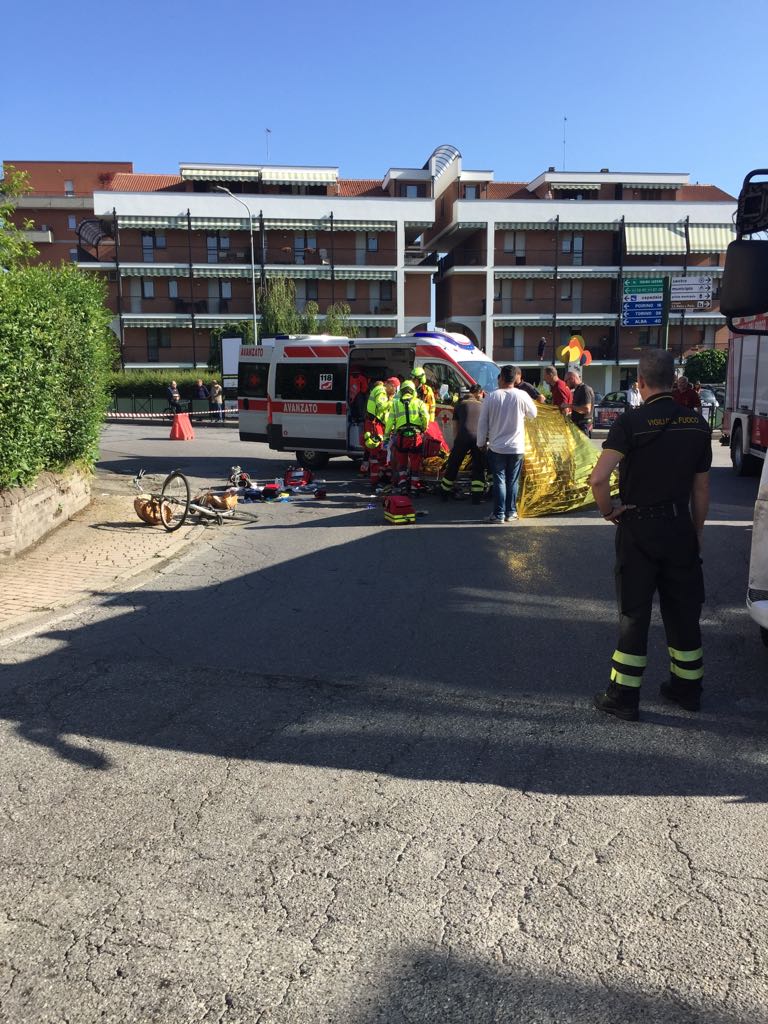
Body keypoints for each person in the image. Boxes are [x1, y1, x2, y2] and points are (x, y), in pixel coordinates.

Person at [590, 348, 711, 722]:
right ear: (674, 381)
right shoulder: (697, 425)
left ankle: (624, 697)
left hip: (639, 528)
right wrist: (694, 531)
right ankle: (687, 689)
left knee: (634, 612)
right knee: (683, 611)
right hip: (678, 528)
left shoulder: (630, 423)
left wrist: (609, 510)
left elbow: (598, 478)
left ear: (640, 383)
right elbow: (701, 491)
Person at [476, 364, 538, 523]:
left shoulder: (492, 396)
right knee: (513, 480)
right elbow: (533, 414)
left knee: (499, 480)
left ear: (502, 378)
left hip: (497, 447)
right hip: (517, 447)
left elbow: (482, 422)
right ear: (514, 378)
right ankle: (511, 512)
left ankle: (499, 514)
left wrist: (480, 442)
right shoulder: (522, 395)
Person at [440, 384, 486, 504]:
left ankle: (444, 493)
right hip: (478, 438)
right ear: (479, 393)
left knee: (453, 465)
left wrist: (456, 444)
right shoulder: (482, 405)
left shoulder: (459, 405)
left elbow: (455, 427)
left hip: (463, 437)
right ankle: (477, 497)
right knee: (478, 467)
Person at [384, 379, 430, 493]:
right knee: (415, 462)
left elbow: (390, 422)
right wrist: (423, 428)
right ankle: (414, 488)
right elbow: (426, 417)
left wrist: (385, 437)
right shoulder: (419, 402)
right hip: (415, 436)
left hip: (401, 437)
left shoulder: (395, 403)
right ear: (413, 391)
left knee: (402, 462)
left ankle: (403, 485)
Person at [362, 378, 395, 491]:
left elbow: (383, 414)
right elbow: (381, 407)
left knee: (381, 452)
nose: (394, 392)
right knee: (376, 453)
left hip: (376, 424)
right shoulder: (381, 390)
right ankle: (375, 481)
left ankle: (380, 478)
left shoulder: (379, 390)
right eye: (394, 389)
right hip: (374, 425)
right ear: (390, 385)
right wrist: (392, 402)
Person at [565, 368, 595, 436]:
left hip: (583, 427)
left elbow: (586, 409)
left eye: (566, 381)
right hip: (579, 426)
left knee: (583, 447)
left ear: (572, 378)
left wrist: (569, 406)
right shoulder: (577, 390)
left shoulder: (584, 389)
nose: (566, 384)